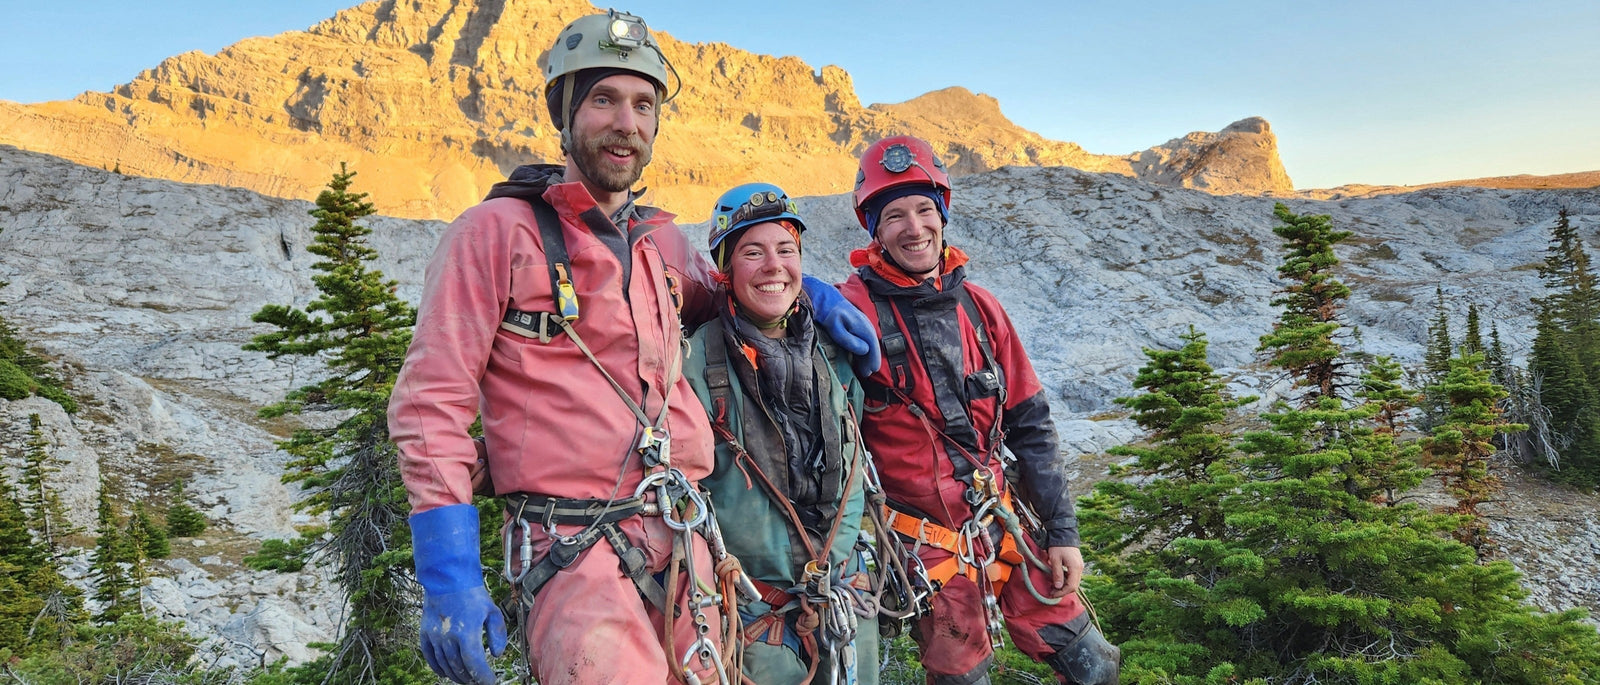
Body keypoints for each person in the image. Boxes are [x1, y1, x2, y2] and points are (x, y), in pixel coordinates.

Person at [387, 12, 878, 685]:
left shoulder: (663, 246)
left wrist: (807, 291)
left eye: (644, 104)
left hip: (685, 545)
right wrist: (448, 575)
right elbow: (429, 402)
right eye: (604, 100)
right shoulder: (493, 234)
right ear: (566, 113)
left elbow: (731, 293)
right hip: (575, 553)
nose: (627, 122)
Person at [836, 135, 1121, 685]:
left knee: (1093, 667)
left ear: (942, 214)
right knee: (963, 678)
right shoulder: (849, 314)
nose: (914, 227)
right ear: (875, 229)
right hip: (925, 544)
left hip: (1005, 522)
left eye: (924, 209)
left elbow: (1031, 424)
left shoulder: (980, 307)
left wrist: (1062, 533)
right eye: (894, 215)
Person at [684, 183, 880, 685]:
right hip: (754, 614)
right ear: (725, 269)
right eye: (753, 252)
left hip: (846, 599)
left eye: (786, 250)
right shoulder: (695, 364)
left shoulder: (835, 352)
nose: (774, 265)